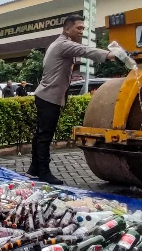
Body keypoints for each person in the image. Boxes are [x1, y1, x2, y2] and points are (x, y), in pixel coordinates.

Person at [29, 14, 115, 185]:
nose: (81, 32)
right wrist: (110, 55)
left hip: (46, 96)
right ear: (67, 29)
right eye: (79, 28)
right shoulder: (64, 45)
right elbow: (86, 51)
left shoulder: (58, 43)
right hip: (49, 97)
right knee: (44, 136)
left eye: (83, 28)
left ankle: (34, 169)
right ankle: (43, 172)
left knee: (40, 134)